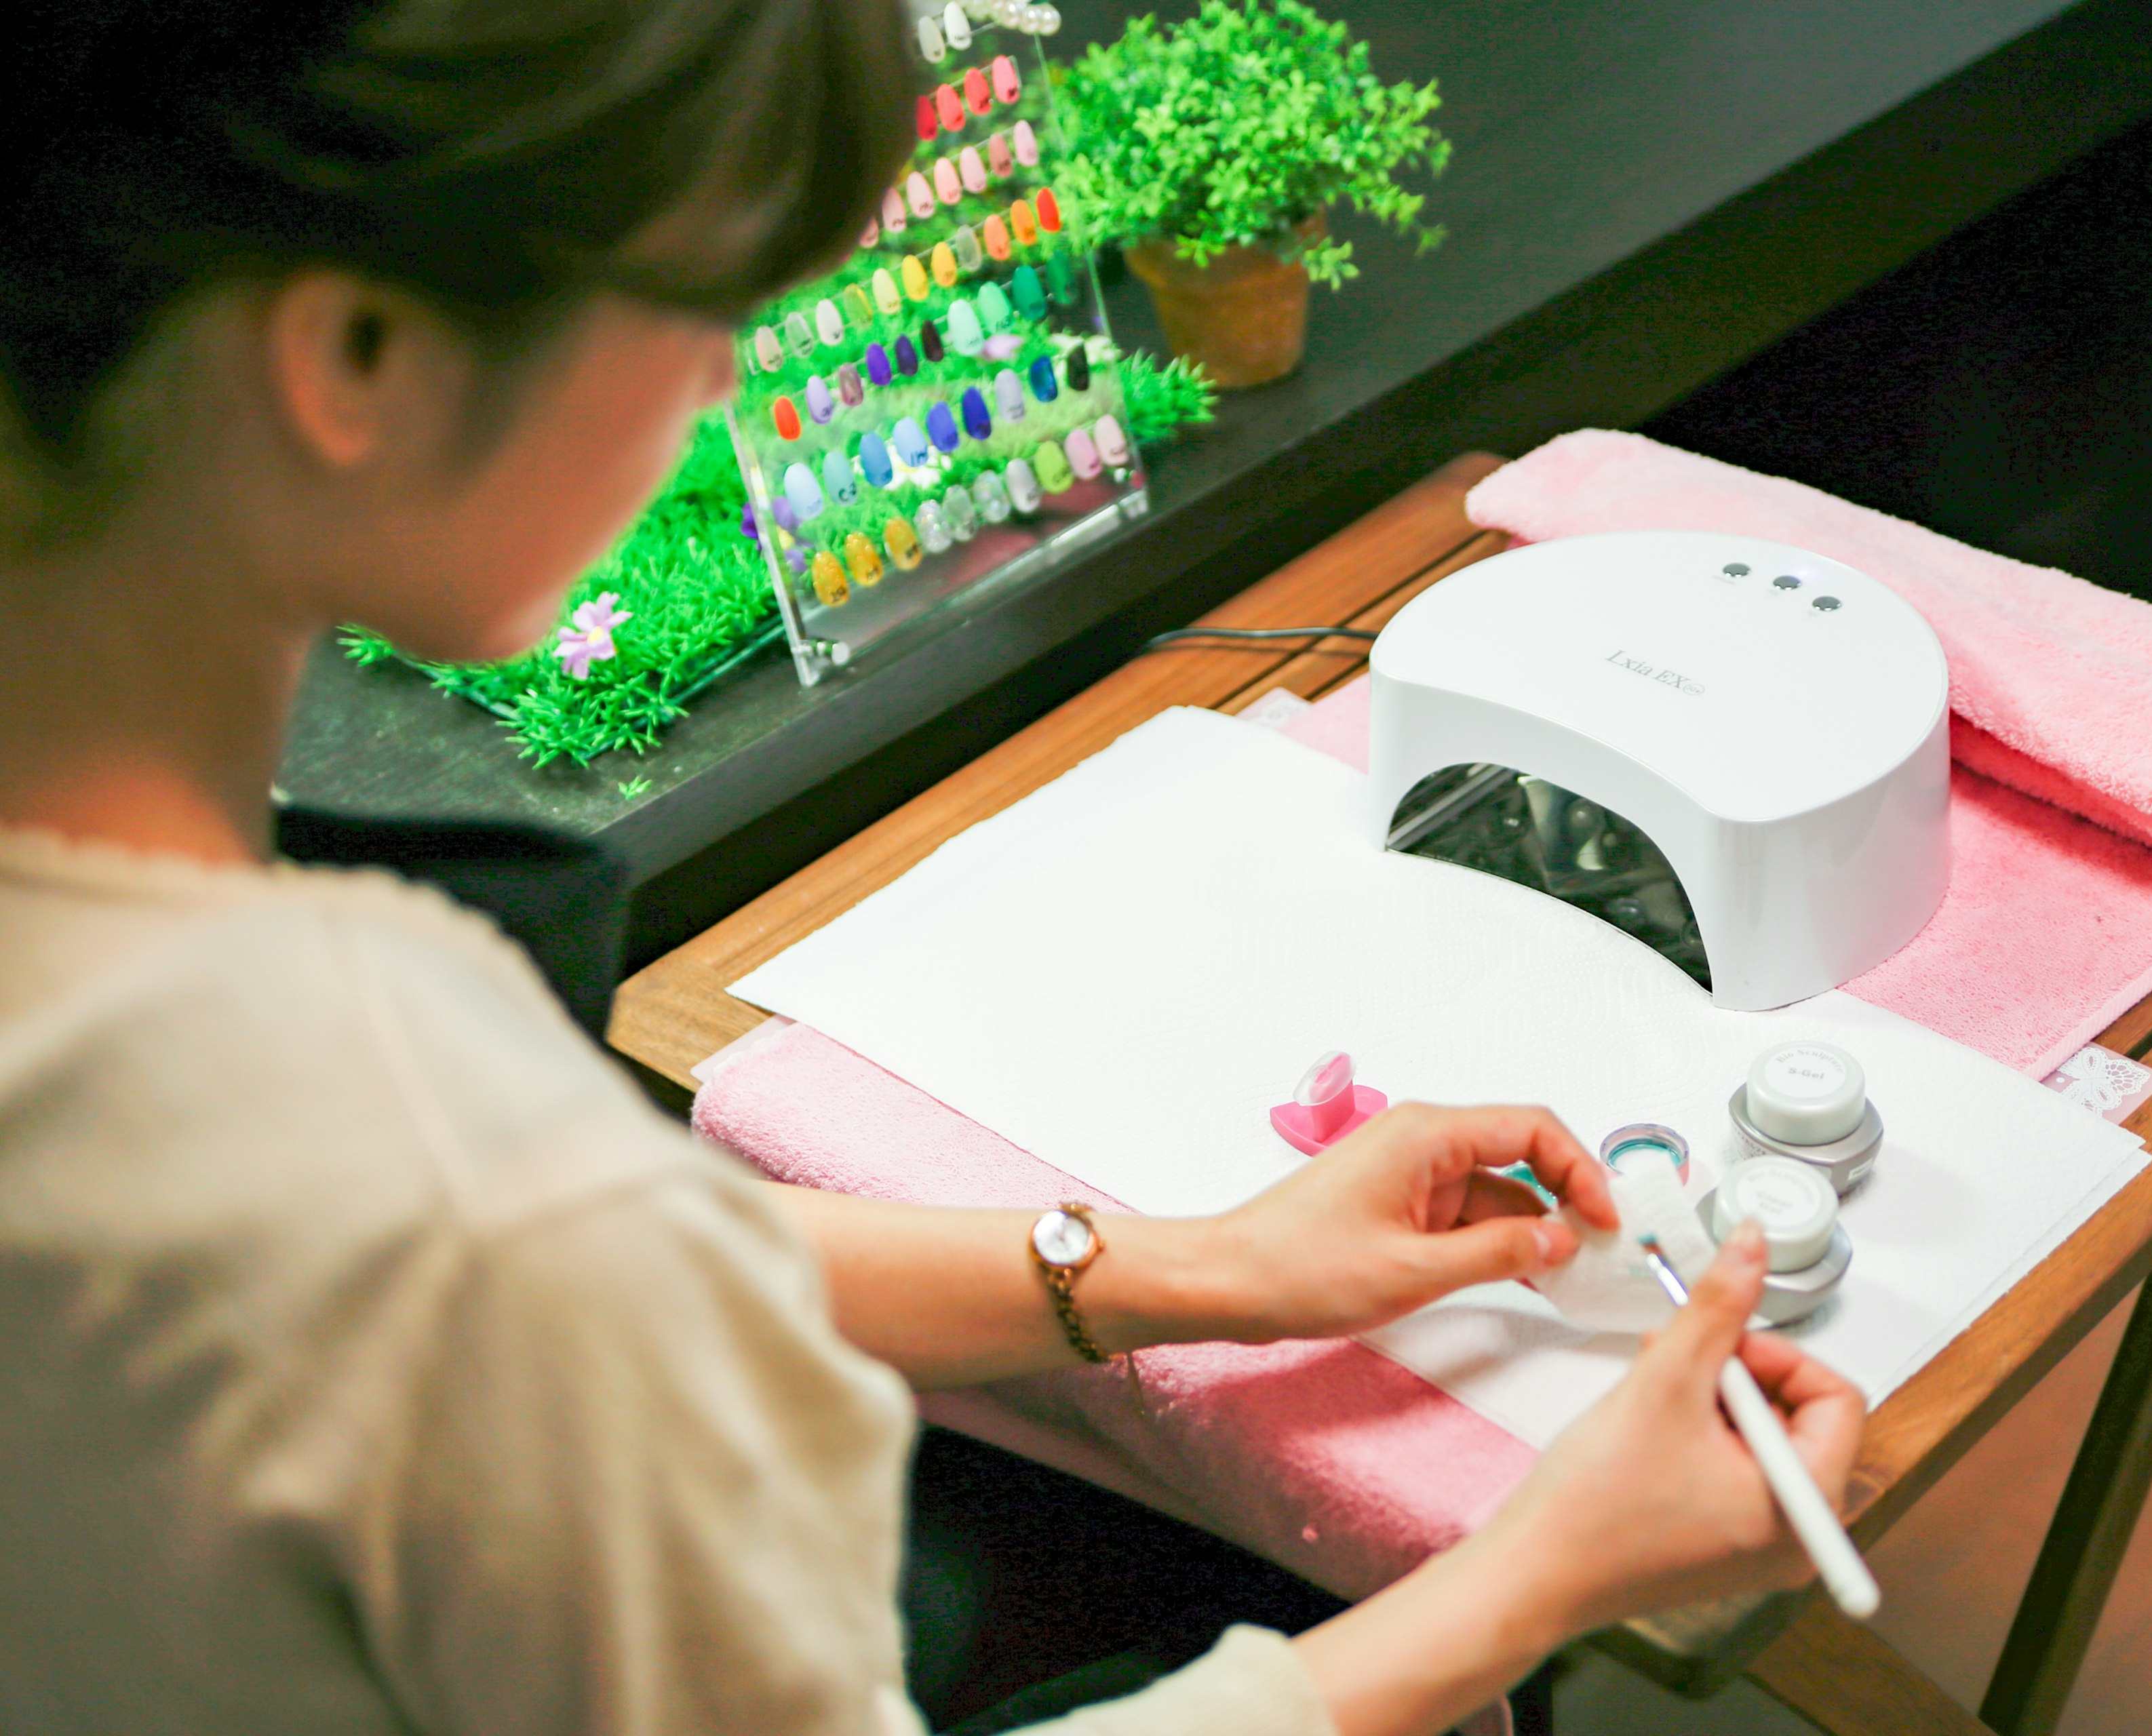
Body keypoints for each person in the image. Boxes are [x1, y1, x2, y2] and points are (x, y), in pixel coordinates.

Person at [0, 1, 1866, 1731]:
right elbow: (498, 1267)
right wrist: (1536, 1579)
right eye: (710, 295)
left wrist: (1179, 1266)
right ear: (357, 356)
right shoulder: (439, 1171)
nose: (729, 381)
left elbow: (542, 1275)